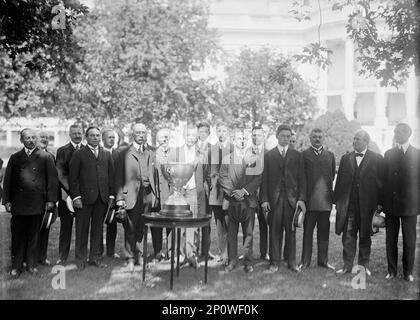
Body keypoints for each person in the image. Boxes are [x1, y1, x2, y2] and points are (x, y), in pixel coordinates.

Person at [3, 128, 58, 278]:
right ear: (21, 140)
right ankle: (16, 266)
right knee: (17, 235)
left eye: (33, 137)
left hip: (37, 203)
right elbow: (7, 181)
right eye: (27, 138)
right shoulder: (15, 157)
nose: (31, 140)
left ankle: (32, 265)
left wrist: (51, 200)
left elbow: (52, 181)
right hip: (19, 203)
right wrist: (6, 200)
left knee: (34, 235)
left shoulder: (45, 157)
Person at [334, 130, 384, 276]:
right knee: (348, 237)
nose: (354, 141)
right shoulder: (345, 158)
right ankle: (347, 266)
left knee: (365, 236)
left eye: (358, 139)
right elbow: (340, 181)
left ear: (366, 142)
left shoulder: (377, 159)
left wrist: (380, 205)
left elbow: (381, 184)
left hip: (367, 207)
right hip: (349, 205)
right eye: (354, 138)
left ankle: (363, 266)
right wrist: (337, 201)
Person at [260, 124, 306, 273]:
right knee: (274, 231)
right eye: (283, 136)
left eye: (288, 136)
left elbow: (302, 179)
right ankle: (274, 262)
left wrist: (301, 199)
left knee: (291, 232)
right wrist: (265, 199)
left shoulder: (297, 155)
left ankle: (291, 262)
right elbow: (264, 179)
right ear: (277, 136)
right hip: (274, 200)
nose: (286, 139)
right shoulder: (268, 156)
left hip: (292, 200)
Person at [114, 123, 160, 271]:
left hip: (147, 194)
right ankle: (129, 258)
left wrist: (156, 195)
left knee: (142, 227)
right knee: (130, 227)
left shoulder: (150, 152)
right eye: (138, 133)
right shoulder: (123, 153)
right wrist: (119, 198)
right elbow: (117, 178)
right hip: (131, 195)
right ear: (133, 134)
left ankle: (140, 256)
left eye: (144, 133)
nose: (141, 135)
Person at [69, 126, 115, 270]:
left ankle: (95, 258)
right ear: (86, 137)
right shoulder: (79, 154)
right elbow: (73, 178)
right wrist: (76, 197)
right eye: (92, 135)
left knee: (98, 229)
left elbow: (111, 177)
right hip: (83, 198)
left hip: (101, 198)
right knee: (82, 229)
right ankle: (80, 259)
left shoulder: (106, 154)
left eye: (97, 135)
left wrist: (112, 195)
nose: (95, 138)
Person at [219, 129, 262, 273]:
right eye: (239, 138)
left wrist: (243, 191)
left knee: (248, 233)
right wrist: (234, 192)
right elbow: (222, 178)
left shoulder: (255, 159)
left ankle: (248, 262)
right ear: (234, 140)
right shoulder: (227, 159)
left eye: (244, 138)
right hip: (231, 201)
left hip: (249, 201)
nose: (242, 141)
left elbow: (258, 178)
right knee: (231, 233)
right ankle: (232, 261)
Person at [166, 125, 209, 268]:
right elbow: (168, 172)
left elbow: (206, 172)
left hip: (194, 190)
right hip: (179, 190)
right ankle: (178, 254)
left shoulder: (202, 153)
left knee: (192, 224)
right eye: (188, 135)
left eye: (193, 135)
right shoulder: (175, 152)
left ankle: (191, 254)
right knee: (178, 223)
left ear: (197, 137)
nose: (191, 137)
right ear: (184, 136)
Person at [383, 123, 419, 282]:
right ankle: (391, 271)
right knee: (390, 240)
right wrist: (381, 203)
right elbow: (383, 181)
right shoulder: (388, 154)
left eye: (398, 132)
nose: (395, 134)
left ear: (407, 134)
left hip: (410, 205)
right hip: (391, 204)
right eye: (395, 131)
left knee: (409, 240)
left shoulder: (417, 154)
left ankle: (408, 272)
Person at [298, 128, 336, 271]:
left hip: (325, 202)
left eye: (320, 136)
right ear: (310, 138)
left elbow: (331, 177)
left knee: (324, 232)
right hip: (310, 202)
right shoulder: (304, 155)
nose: (317, 139)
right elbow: (301, 178)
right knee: (307, 232)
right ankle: (305, 261)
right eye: (315, 137)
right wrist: (302, 200)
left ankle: (323, 261)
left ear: (323, 138)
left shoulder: (330, 155)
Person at [56, 124, 84, 265]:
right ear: (70, 134)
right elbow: (61, 174)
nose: (77, 135)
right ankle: (62, 256)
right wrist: (73, 194)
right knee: (66, 227)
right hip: (67, 195)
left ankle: (80, 256)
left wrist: (81, 194)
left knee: (82, 228)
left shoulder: (87, 150)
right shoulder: (62, 151)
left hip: (84, 197)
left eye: (79, 133)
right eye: (75, 133)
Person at [208, 122, 234, 264]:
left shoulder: (233, 149)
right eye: (219, 131)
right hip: (215, 194)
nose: (222, 133)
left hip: (228, 192)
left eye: (224, 130)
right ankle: (222, 253)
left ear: (228, 132)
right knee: (219, 225)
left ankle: (229, 254)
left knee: (229, 223)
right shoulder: (211, 150)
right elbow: (208, 171)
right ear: (216, 132)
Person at [248, 126, 269, 261]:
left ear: (264, 136)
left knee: (264, 226)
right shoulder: (245, 152)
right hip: (249, 197)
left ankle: (263, 252)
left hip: (264, 196)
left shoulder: (269, 154)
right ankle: (248, 252)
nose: (256, 137)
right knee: (248, 226)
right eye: (254, 135)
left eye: (259, 135)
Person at [36, 130, 56, 266]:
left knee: (45, 229)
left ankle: (42, 258)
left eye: (47, 138)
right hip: (32, 200)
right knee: (32, 230)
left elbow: (53, 180)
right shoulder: (31, 155)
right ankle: (29, 258)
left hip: (47, 200)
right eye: (42, 137)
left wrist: (52, 199)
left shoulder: (51, 156)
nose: (44, 139)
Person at [100, 129, 120, 259]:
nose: (112, 140)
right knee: (99, 224)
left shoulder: (118, 154)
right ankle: (98, 250)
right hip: (101, 194)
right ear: (103, 139)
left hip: (115, 194)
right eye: (109, 137)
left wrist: (114, 195)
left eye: (113, 137)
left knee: (112, 224)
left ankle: (111, 251)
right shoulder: (99, 153)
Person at [155, 128, 172, 259]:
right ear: (157, 139)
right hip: (157, 195)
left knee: (171, 224)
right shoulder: (153, 154)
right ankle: (158, 251)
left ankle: (171, 251)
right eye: (162, 137)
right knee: (157, 225)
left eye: (166, 137)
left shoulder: (175, 153)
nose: (164, 139)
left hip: (171, 195)